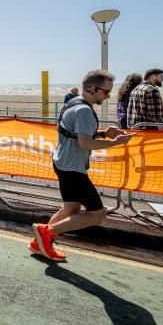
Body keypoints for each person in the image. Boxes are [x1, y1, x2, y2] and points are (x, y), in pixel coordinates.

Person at [31, 70, 135, 261]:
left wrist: (104, 133)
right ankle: (47, 233)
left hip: (63, 162)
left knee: (70, 211)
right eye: (106, 92)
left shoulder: (73, 103)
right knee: (97, 214)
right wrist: (117, 143)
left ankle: (39, 243)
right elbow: (85, 144)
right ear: (92, 88)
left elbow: (78, 135)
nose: (108, 96)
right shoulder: (84, 110)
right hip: (72, 168)